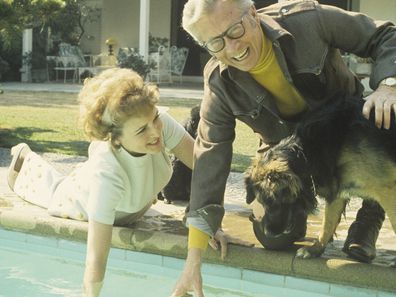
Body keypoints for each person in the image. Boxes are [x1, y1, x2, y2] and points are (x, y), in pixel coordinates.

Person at [171, 1, 396, 296]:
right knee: (276, 237)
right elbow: (210, 154)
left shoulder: (308, 20)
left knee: (380, 161)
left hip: (349, 132)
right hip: (291, 154)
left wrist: (389, 85)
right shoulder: (219, 82)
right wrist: (194, 257)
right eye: (215, 42)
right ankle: (332, 218)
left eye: (235, 29)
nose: (232, 46)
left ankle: (371, 212)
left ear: (252, 14)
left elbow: (384, 35)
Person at [7, 68, 195, 297]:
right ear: (115, 139)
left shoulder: (156, 121)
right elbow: (96, 259)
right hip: (77, 199)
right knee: (52, 189)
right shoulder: (107, 175)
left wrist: (210, 218)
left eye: (155, 118)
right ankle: (24, 158)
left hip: (122, 200)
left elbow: (203, 165)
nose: (155, 131)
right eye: (142, 130)